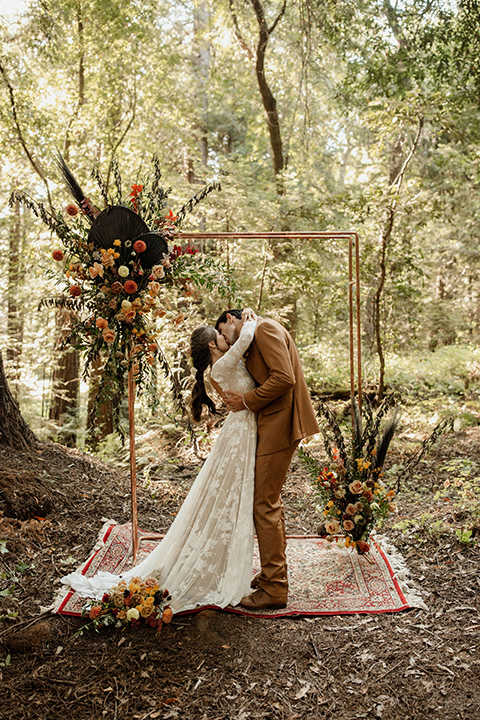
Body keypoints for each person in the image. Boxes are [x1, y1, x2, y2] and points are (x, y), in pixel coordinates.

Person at [61, 310, 259, 614]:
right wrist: (250, 318)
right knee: (232, 494)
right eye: (220, 335)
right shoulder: (222, 365)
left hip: (241, 429)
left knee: (230, 494)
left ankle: (223, 559)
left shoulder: (222, 364)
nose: (225, 336)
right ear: (212, 346)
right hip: (240, 433)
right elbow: (246, 336)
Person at [215, 309, 319, 610]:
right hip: (272, 422)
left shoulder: (265, 330)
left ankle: (275, 588)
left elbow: (284, 378)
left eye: (223, 332)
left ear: (232, 320)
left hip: (282, 422)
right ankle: (272, 575)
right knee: (267, 501)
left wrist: (246, 401)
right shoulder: (254, 334)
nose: (223, 339)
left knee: (264, 503)